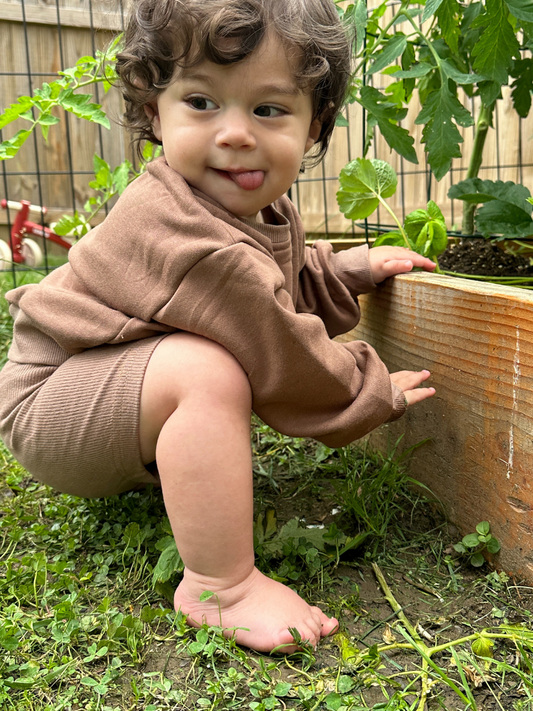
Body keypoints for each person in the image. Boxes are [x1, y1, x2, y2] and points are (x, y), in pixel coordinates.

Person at [0, 0, 436, 654]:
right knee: (207, 370)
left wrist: (345, 268)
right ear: (154, 111)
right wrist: (371, 390)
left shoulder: (245, 210)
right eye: (202, 102)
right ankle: (221, 587)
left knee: (200, 361)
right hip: (48, 403)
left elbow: (275, 277)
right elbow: (281, 346)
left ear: (312, 125)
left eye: (267, 109)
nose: (235, 133)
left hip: (103, 389)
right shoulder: (191, 237)